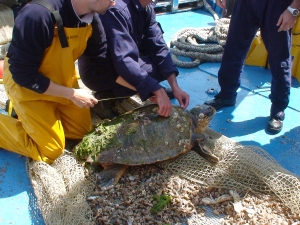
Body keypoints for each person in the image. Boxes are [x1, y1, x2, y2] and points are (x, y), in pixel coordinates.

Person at [0, 0, 117, 164]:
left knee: (80, 133)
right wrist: (72, 94)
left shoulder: (92, 19)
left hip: (62, 81)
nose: (114, 3)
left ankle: (27, 115)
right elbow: (23, 74)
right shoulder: (36, 15)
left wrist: (146, 87)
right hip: (28, 87)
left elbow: (104, 64)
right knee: (51, 151)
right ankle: (17, 113)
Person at [78, 0, 190, 119]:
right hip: (98, 72)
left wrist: (175, 86)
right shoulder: (115, 10)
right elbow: (124, 60)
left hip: (117, 61)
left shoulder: (147, 7)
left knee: (162, 67)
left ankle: (144, 89)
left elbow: (158, 45)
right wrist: (156, 89)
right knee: (151, 76)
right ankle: (105, 98)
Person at [204, 0, 300, 134]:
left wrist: (293, 9)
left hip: (276, 5)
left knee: (279, 59)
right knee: (233, 49)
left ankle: (278, 109)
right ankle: (226, 95)